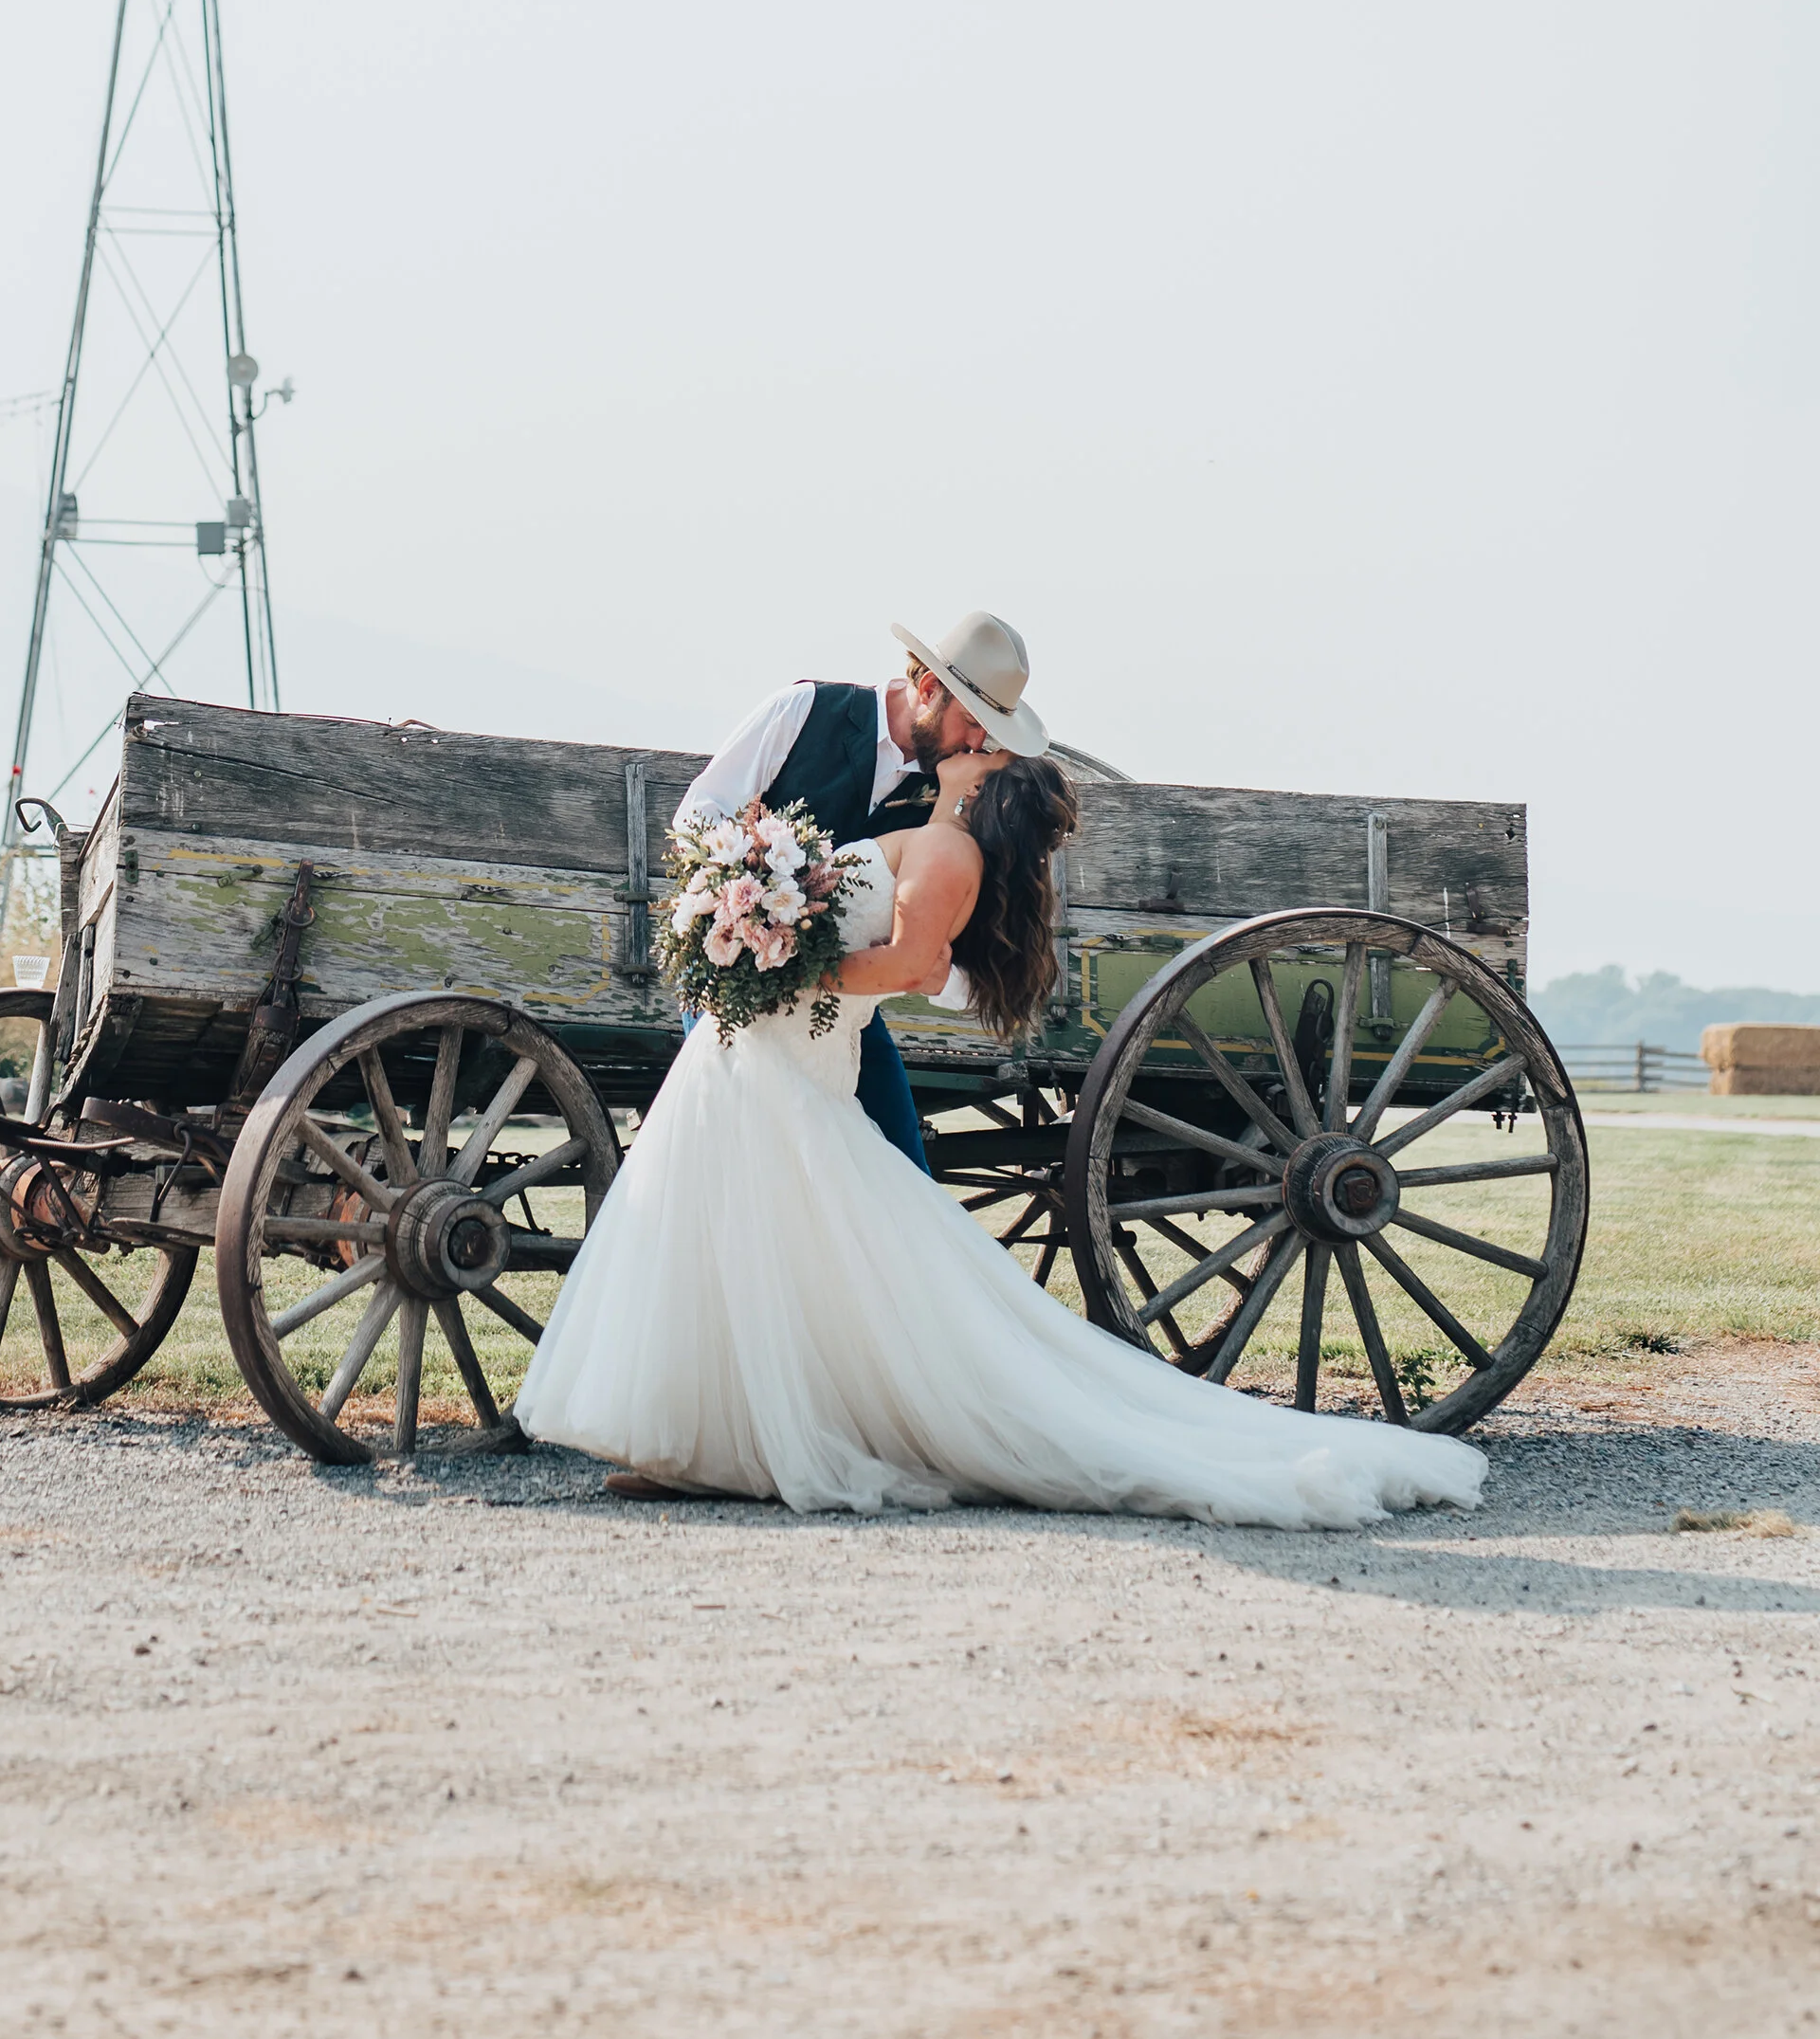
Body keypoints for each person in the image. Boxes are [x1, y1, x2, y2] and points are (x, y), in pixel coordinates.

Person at [516, 739, 1488, 1530]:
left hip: (784, 1052)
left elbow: (905, 966)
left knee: (772, 1236)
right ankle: (706, 1440)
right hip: (766, 1055)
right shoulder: (930, 840)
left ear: (981, 788)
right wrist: (757, 923)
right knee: (744, 1237)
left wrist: (773, 967)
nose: (967, 746)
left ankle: (738, 1442)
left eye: (980, 752)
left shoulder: (949, 854)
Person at [667, 610, 1051, 1174]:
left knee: (904, 1171)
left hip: (842, 1018)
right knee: (741, 1165)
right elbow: (700, 819)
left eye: (987, 732)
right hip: (736, 991)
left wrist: (931, 973)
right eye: (972, 722)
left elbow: (967, 951)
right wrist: (749, 902)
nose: (976, 744)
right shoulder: (803, 713)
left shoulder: (953, 798)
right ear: (927, 689)